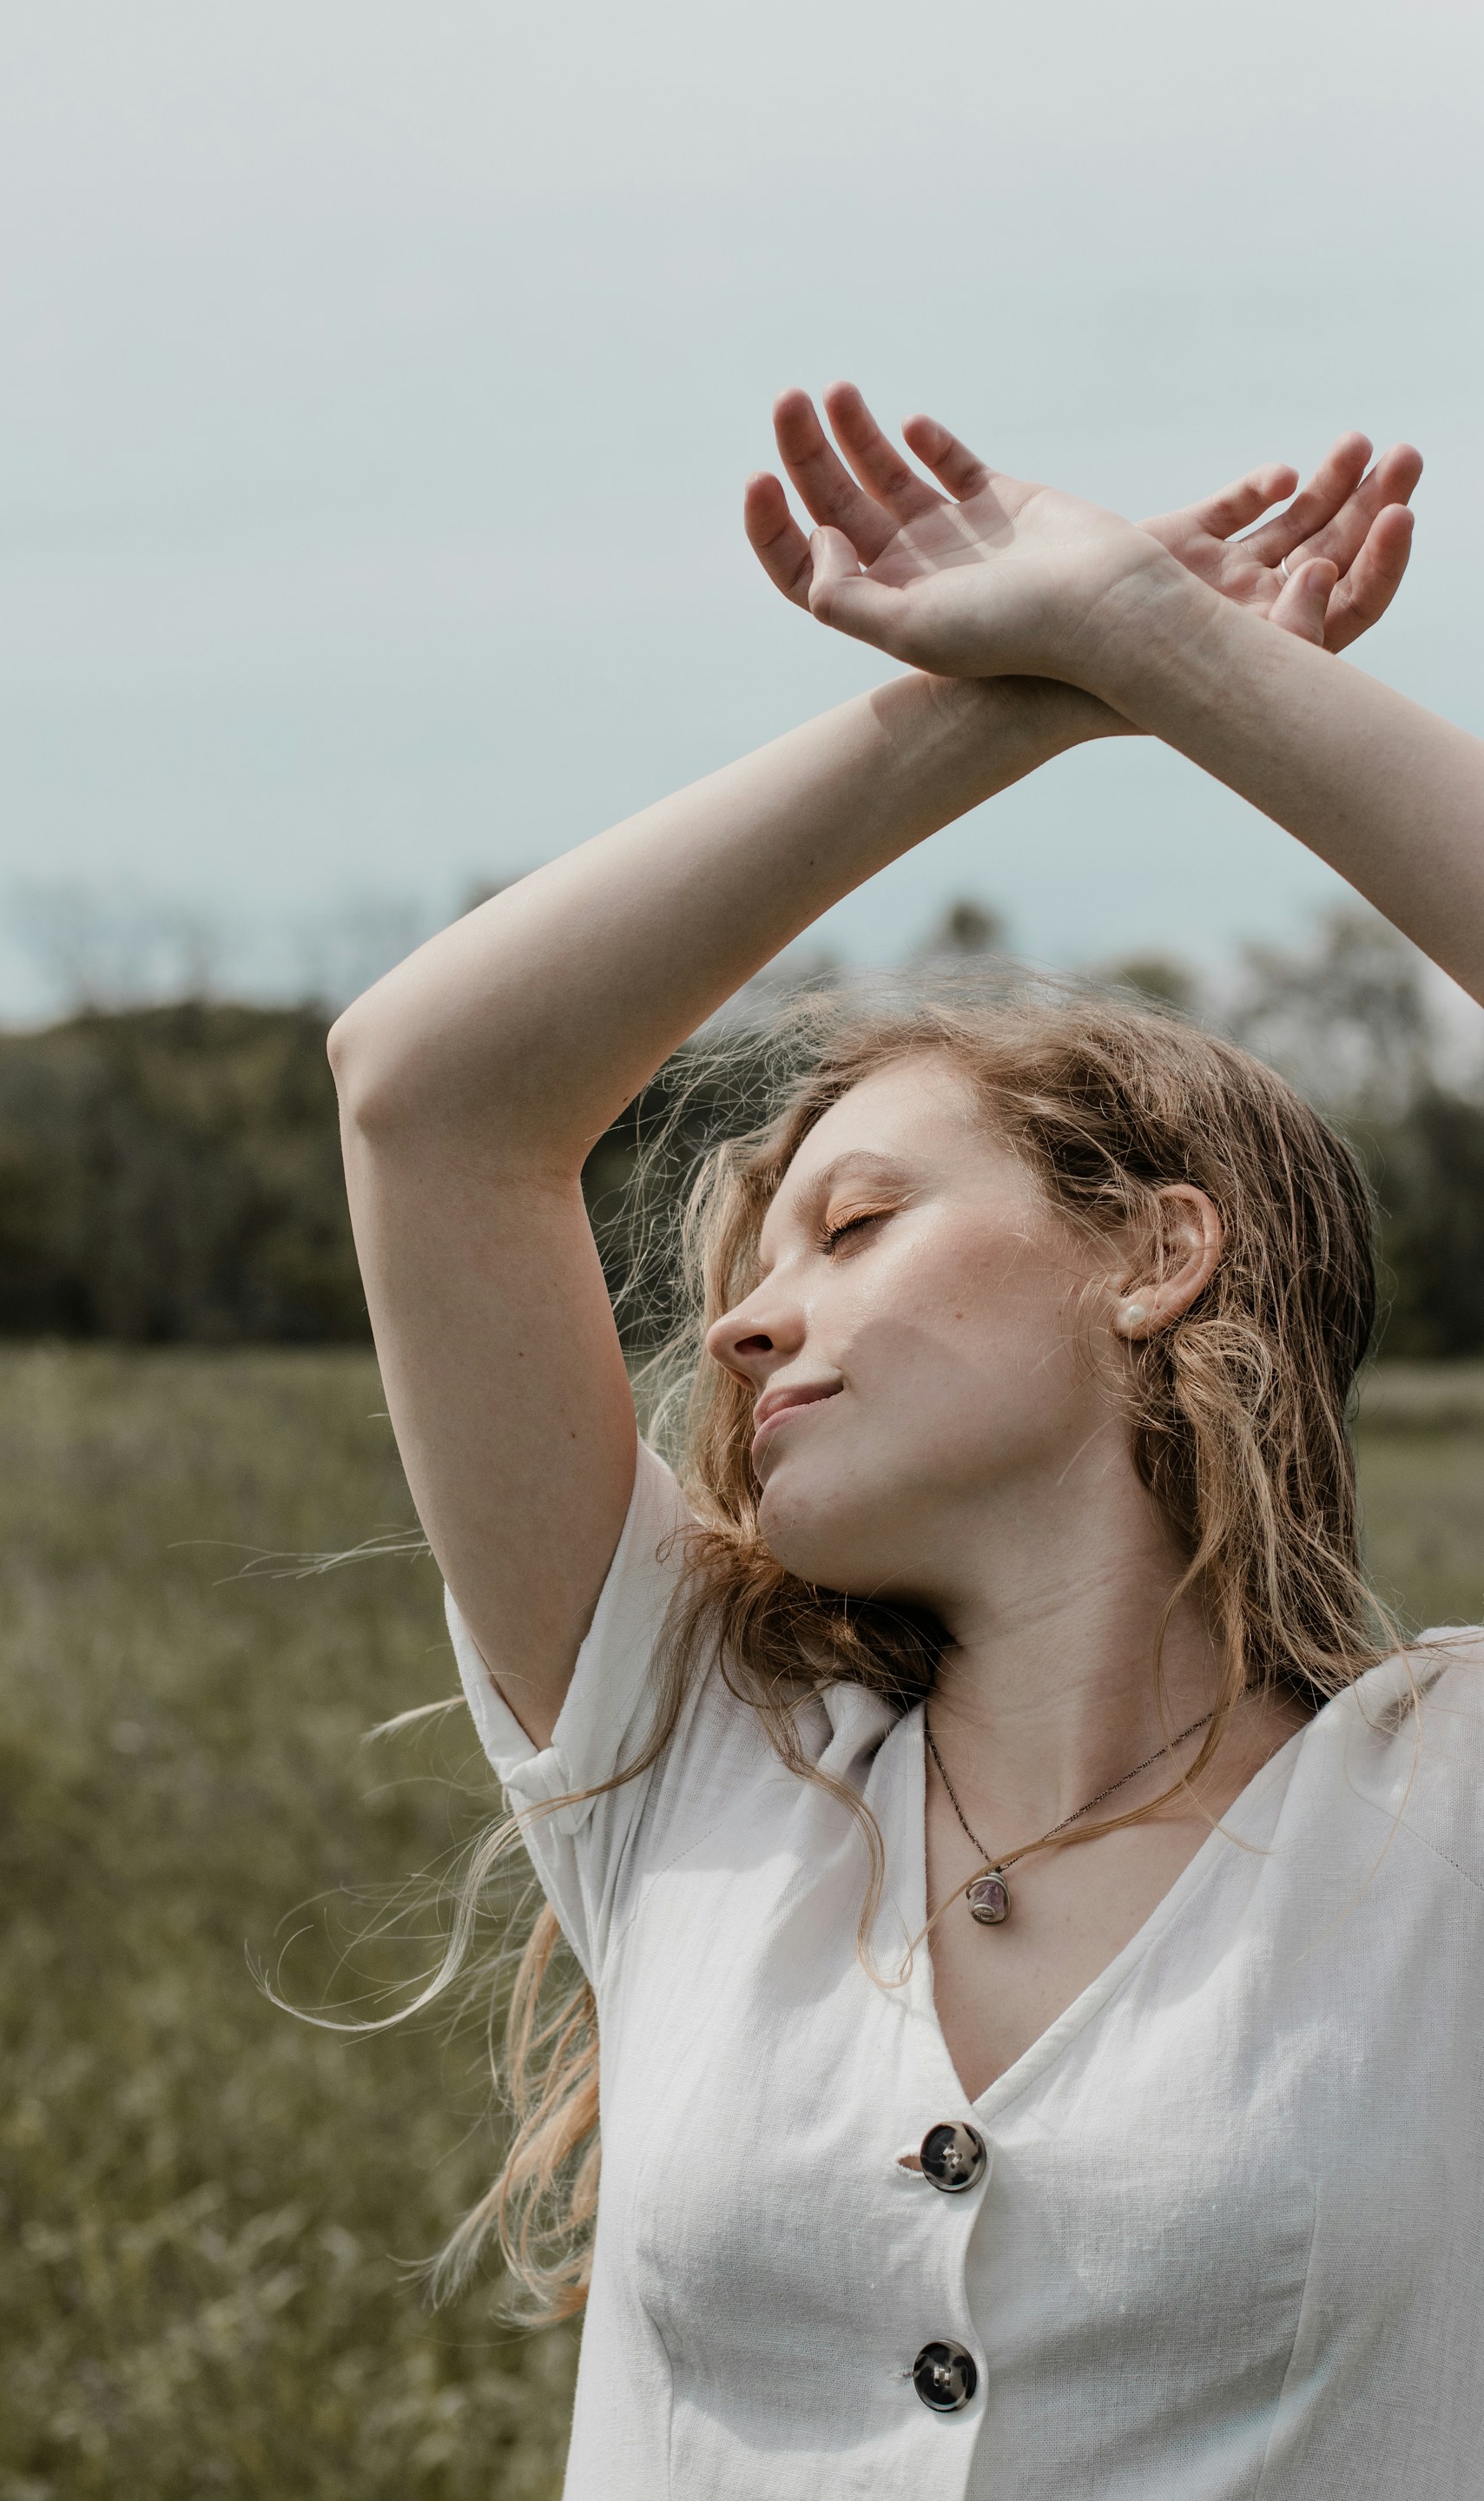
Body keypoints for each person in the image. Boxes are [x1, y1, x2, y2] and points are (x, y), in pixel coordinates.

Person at [326, 384, 1483, 2498]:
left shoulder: (1443, 1824)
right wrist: (1008, 703)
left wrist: (1161, 639)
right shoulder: (692, 1759)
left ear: (1154, 1258)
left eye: (859, 1223)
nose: (754, 1313)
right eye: (765, 1258)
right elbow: (429, 1099)